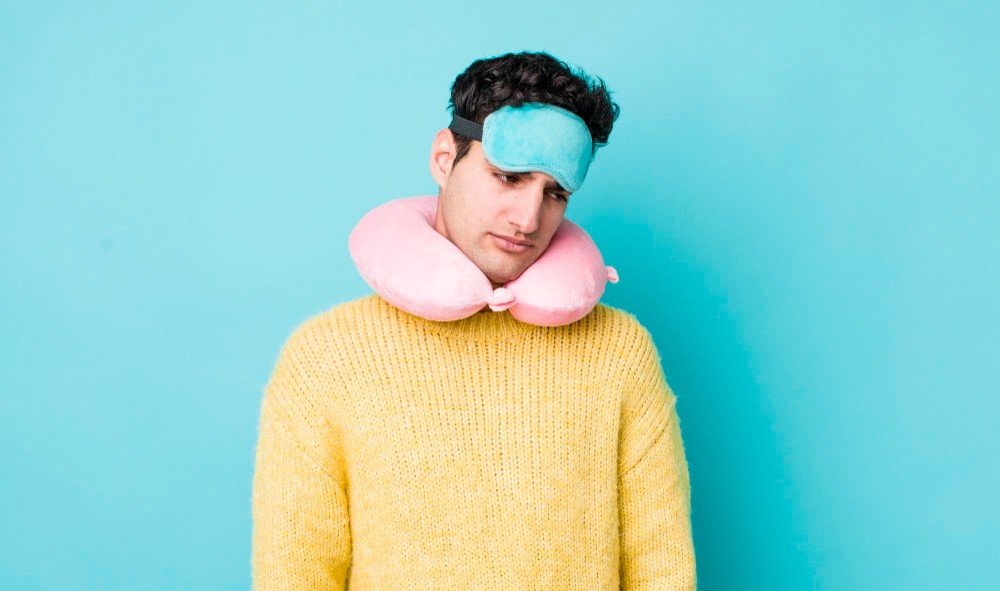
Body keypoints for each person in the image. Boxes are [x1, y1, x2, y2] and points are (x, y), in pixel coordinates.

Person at [251, 51, 697, 590]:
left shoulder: (619, 352)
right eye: (508, 177)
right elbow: (294, 576)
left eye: (555, 193)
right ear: (445, 158)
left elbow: (662, 572)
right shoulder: (325, 359)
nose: (529, 219)